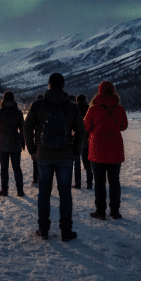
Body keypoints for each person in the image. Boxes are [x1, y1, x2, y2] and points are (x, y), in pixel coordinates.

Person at [23, 74, 85, 241]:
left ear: (48, 85)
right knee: (65, 193)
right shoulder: (72, 107)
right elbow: (81, 131)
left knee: (44, 192)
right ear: (63, 87)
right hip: (65, 156)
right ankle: (66, 231)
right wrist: (76, 152)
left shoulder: (38, 105)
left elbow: (27, 128)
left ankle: (43, 230)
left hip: (43, 155)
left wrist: (32, 150)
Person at [83, 81, 128, 220]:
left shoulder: (93, 109)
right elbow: (123, 126)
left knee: (99, 182)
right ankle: (115, 211)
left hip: (97, 150)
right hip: (115, 150)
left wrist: (95, 131)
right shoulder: (120, 109)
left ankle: (100, 211)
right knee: (115, 181)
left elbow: (85, 126)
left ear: (100, 91)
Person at [0, 91, 26, 197]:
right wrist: (23, 142)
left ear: (4, 99)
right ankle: (20, 190)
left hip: (2, 143)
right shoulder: (19, 112)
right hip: (15, 142)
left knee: (4, 169)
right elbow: (22, 129)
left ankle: (4, 190)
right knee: (17, 168)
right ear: (13, 99)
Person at [74, 94, 92, 189]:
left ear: (77, 100)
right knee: (87, 162)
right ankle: (89, 183)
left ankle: (78, 183)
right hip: (88, 139)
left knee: (77, 162)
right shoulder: (90, 109)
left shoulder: (75, 108)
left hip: (77, 139)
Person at [30, 93, 44, 185]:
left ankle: (35, 178)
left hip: (37, 138)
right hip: (46, 139)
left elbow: (29, 127)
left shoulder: (35, 108)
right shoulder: (48, 108)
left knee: (36, 159)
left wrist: (31, 148)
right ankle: (43, 178)